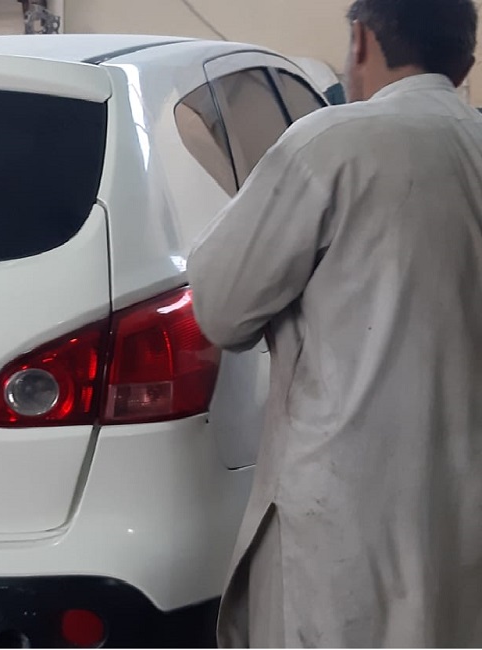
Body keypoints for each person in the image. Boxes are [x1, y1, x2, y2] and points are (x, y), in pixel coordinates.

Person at [187, 0, 482, 646]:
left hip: (349, 518)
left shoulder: (330, 145)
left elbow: (221, 306)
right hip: (461, 516)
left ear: (361, 39)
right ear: (464, 62)